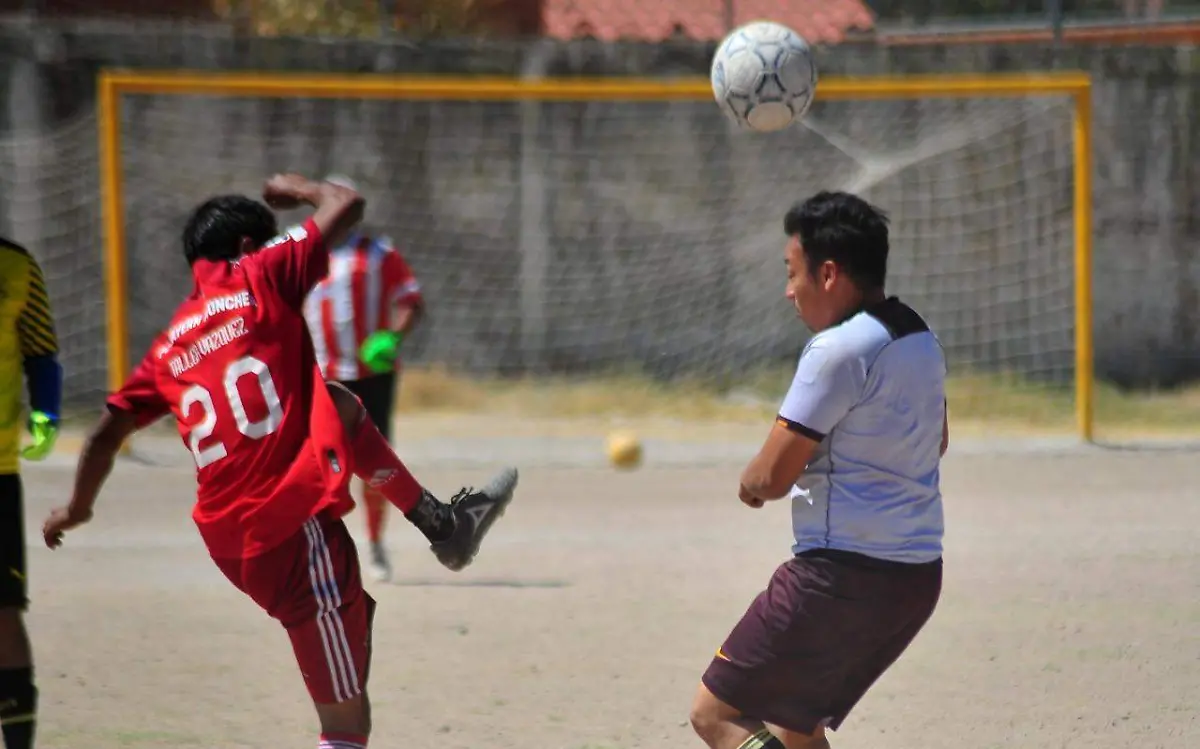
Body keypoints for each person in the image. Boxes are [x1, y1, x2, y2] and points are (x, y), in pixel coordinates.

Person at [41, 174, 517, 749]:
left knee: (335, 406)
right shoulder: (260, 274)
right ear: (248, 246)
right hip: (289, 526)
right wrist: (292, 186)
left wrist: (77, 508)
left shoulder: (168, 347)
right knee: (345, 723)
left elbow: (104, 432)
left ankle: (443, 526)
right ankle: (446, 531)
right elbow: (346, 202)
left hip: (232, 543)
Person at [689, 191, 948, 749]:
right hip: (916, 578)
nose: (788, 291)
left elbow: (770, 478)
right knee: (796, 724)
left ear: (828, 274)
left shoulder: (837, 349)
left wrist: (749, 483)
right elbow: (939, 440)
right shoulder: (917, 333)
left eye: (792, 273)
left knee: (716, 713)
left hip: (839, 578)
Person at [303, 176, 424, 583]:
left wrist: (392, 335)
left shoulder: (377, 254)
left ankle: (374, 542)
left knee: (376, 466)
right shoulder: (299, 254)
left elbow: (410, 299)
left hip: (372, 377)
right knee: (318, 466)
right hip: (321, 376)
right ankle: (321, 550)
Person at [0, 237, 62, 749]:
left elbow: (41, 351)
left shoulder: (16, 265)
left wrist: (46, 409)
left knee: (3, 614)